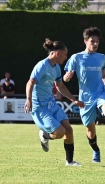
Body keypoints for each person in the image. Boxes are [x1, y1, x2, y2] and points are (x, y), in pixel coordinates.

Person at [63, 27, 105, 163]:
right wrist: (67, 77)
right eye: (92, 41)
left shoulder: (101, 57)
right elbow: (65, 79)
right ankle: (96, 150)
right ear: (85, 41)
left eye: (97, 41)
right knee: (90, 129)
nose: (95, 44)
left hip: (100, 93)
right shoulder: (76, 57)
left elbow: (103, 76)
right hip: (85, 98)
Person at [24, 38, 84, 166]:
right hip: (40, 107)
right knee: (60, 132)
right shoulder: (42, 66)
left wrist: (74, 100)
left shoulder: (56, 68)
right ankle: (45, 135)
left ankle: (70, 161)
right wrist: (28, 99)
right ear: (57, 53)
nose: (66, 57)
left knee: (69, 129)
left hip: (51, 104)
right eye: (65, 54)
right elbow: (30, 82)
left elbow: (60, 86)